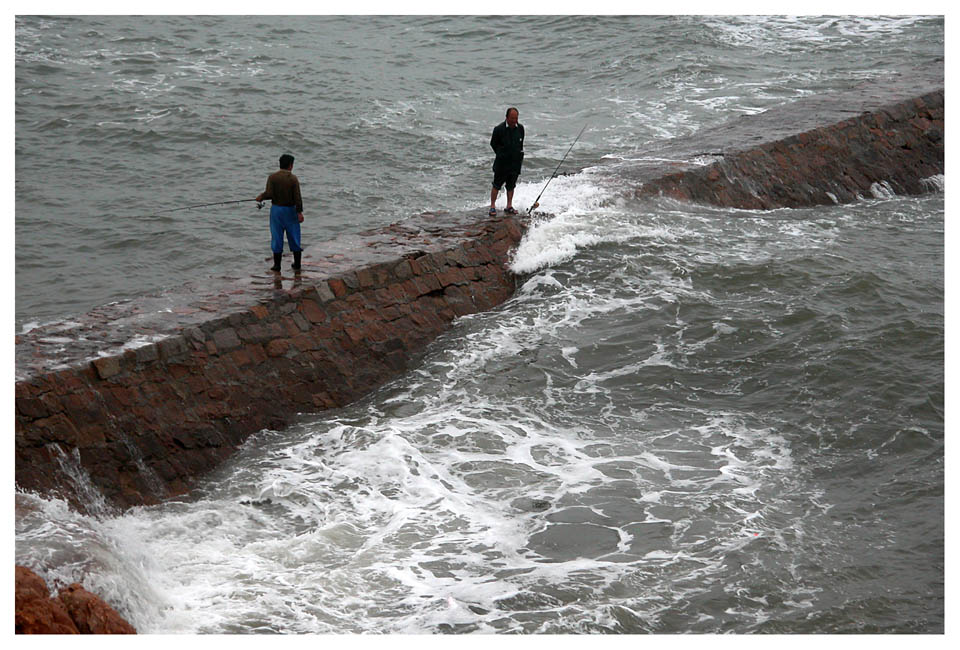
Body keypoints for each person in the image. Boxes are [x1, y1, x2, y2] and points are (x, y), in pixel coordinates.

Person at [256, 153, 304, 271]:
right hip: (290, 210)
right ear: (291, 165)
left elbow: (269, 194)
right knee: (294, 236)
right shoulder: (293, 178)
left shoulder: (272, 177)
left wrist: (260, 197)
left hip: (276, 210)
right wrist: (299, 212)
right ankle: (297, 264)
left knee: (277, 236)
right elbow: (297, 197)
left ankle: (277, 265)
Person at [489, 107, 524, 216]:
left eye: (516, 118)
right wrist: (501, 154)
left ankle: (509, 206)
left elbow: (521, 142)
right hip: (502, 163)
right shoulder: (499, 129)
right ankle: (492, 206)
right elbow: (493, 143)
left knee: (511, 186)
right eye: (512, 118)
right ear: (507, 117)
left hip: (515, 163)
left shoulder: (521, 128)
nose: (514, 120)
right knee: (496, 185)